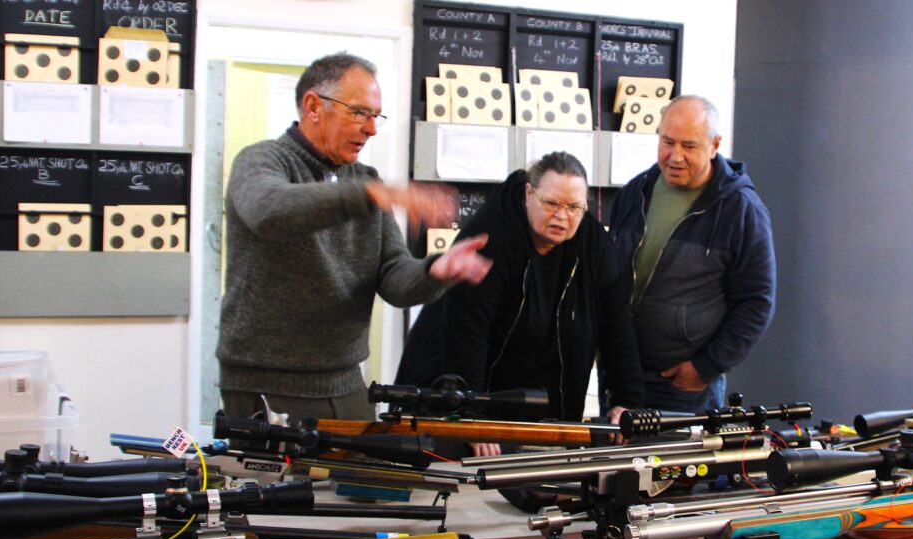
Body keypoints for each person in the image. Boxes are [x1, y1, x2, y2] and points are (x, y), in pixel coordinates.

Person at [217, 53, 491, 423]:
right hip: (263, 386)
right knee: (278, 483)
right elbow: (270, 211)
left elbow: (394, 277)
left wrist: (437, 271)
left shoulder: (365, 180)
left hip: (345, 380)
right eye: (359, 112)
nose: (371, 129)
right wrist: (370, 196)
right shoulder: (260, 161)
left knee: (364, 481)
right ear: (313, 106)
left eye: (376, 116)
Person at [396, 151, 645, 456]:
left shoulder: (595, 245)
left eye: (574, 207)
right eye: (551, 203)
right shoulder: (491, 236)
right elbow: (465, 333)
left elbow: (617, 324)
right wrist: (471, 417)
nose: (562, 216)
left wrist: (627, 400)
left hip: (535, 397)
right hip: (451, 383)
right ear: (529, 193)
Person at [609, 95, 775, 413]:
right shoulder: (635, 192)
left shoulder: (742, 211)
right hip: (621, 377)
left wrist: (704, 368)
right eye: (667, 142)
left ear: (714, 145)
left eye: (689, 146)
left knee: (675, 465)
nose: (675, 156)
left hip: (682, 389)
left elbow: (757, 302)